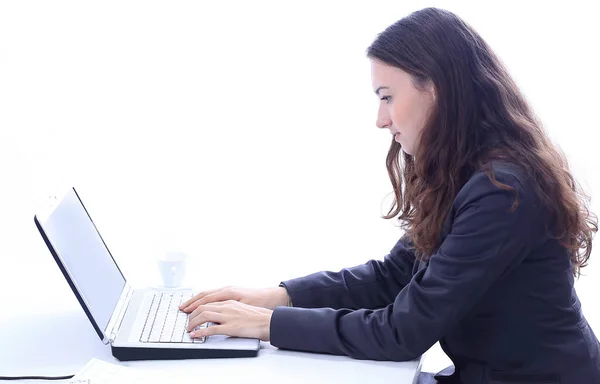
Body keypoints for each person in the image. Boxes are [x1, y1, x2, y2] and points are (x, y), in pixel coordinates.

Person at [179, 7, 600, 384]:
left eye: (387, 98)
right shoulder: (468, 171)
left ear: (435, 89)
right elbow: (394, 276)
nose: (381, 120)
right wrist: (279, 296)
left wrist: (268, 324)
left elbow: (403, 332)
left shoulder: (503, 191)